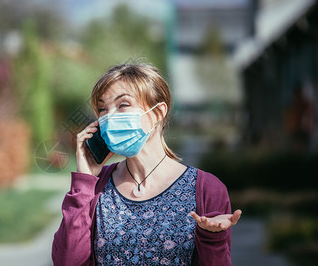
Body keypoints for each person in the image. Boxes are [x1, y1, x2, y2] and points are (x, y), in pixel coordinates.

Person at [52, 62, 242, 265]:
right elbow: (66, 261)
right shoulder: (96, 185)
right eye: (102, 109)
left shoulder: (207, 189)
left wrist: (211, 238)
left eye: (123, 104)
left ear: (158, 113)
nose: (109, 117)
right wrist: (85, 180)